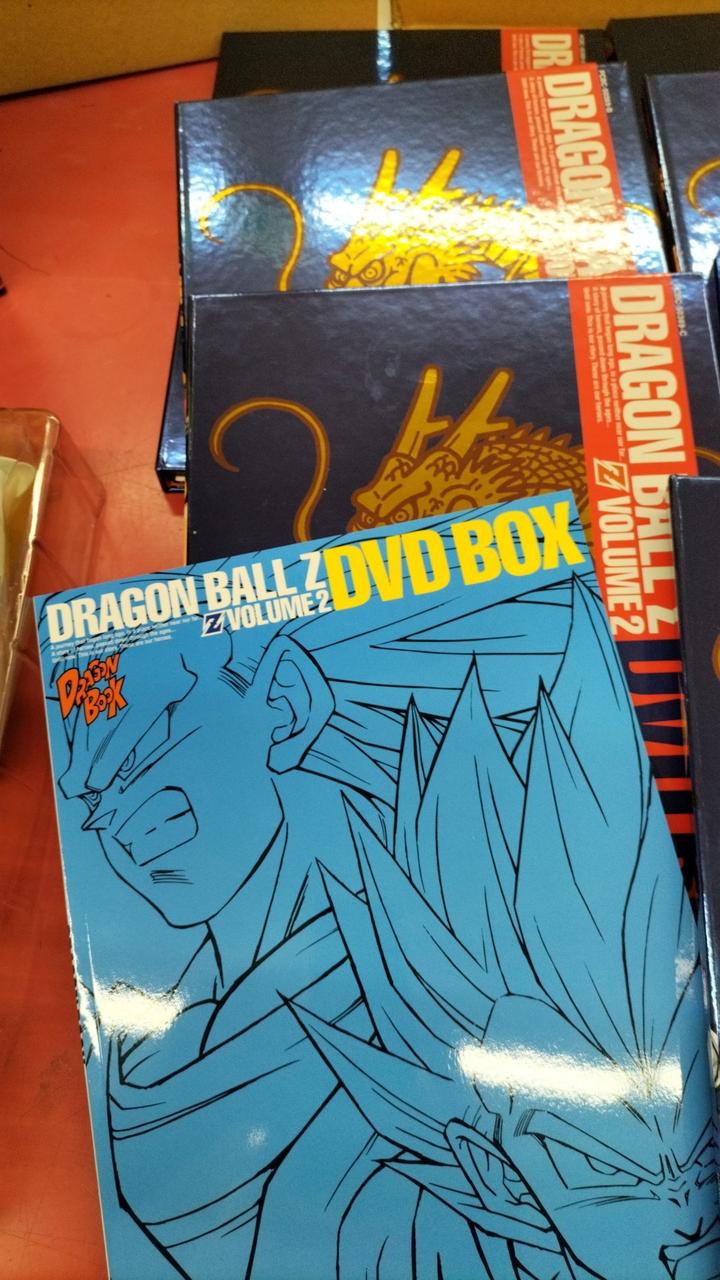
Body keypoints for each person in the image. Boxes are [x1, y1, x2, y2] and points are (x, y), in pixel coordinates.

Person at [41, 526, 719, 1279]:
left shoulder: (471, 957)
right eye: (95, 800)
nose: (121, 824)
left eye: (148, 759)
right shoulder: (145, 1043)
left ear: (287, 704)